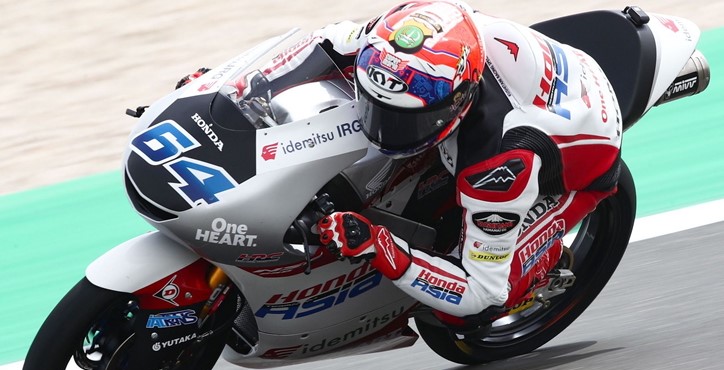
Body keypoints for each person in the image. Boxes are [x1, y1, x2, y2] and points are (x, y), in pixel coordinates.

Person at [183, 0, 622, 333]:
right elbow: (319, 44)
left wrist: (377, 244)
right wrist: (225, 87)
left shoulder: (498, 165)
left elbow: (478, 291)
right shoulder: (396, 37)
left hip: (576, 160)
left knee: (464, 314)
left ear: (460, 103)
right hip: (526, 76)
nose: (382, 128)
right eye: (377, 109)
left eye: (405, 120)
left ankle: (539, 264)